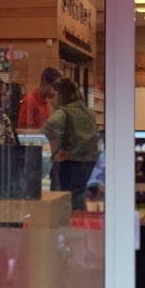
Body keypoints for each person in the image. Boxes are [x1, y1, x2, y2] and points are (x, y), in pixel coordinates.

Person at [42, 78, 100, 210]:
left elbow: (50, 127)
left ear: (61, 94)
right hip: (89, 166)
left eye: (53, 95)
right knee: (80, 203)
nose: (50, 100)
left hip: (68, 166)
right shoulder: (89, 112)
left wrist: (56, 153)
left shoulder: (63, 113)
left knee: (63, 205)